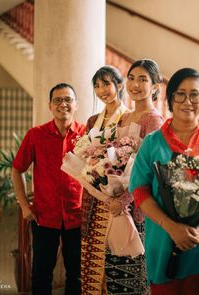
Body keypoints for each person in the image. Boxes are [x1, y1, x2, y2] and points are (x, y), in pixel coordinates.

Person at [129, 68, 199, 295]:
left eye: (195, 95)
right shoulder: (152, 143)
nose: (188, 101)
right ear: (170, 99)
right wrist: (172, 227)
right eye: (180, 94)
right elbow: (139, 191)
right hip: (163, 242)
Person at [12, 83, 86, 295]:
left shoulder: (87, 135)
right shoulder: (36, 135)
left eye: (68, 100)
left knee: (77, 274)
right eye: (58, 100)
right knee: (42, 274)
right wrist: (24, 205)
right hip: (44, 216)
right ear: (50, 105)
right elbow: (17, 170)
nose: (63, 104)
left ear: (76, 104)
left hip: (77, 216)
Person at [105, 59, 164, 295]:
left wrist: (123, 200)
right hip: (116, 206)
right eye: (131, 78)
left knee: (136, 278)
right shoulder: (124, 117)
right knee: (115, 275)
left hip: (137, 211)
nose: (135, 84)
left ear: (155, 86)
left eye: (143, 79)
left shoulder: (154, 121)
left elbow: (150, 172)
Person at [81, 65, 128, 294]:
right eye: (97, 86)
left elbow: (128, 158)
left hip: (116, 197)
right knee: (92, 254)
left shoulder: (127, 118)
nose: (101, 90)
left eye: (106, 84)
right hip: (93, 195)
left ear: (119, 85)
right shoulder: (92, 121)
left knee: (114, 256)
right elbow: (84, 153)